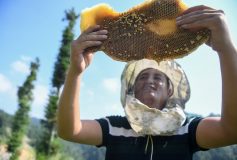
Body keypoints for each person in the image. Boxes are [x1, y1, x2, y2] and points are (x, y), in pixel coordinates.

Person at [57, 5, 237, 160]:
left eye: (158, 77)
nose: (149, 81)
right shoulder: (115, 128)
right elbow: (69, 130)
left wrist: (226, 48)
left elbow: (231, 130)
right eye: (142, 77)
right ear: (131, 88)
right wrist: (75, 71)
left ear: (170, 90)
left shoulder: (187, 128)